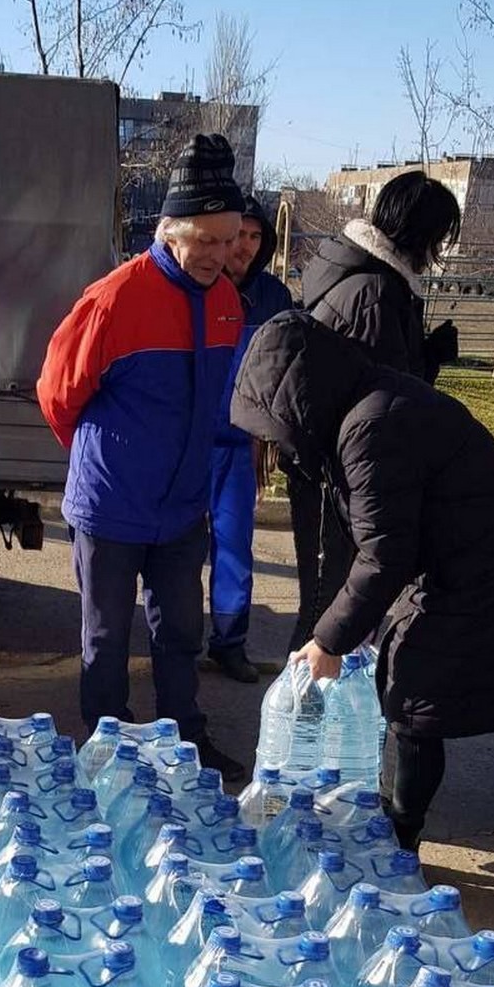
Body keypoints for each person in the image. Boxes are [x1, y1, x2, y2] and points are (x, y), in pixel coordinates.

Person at [231, 310, 494, 851]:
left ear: (298, 395)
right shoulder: (365, 405)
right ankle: (390, 820)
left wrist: (328, 640)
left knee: (415, 700)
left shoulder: (371, 424)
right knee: (404, 684)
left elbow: (384, 554)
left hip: (491, 573)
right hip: (466, 560)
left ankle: (399, 841)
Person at [37, 134, 248, 781]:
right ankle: (105, 751)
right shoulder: (115, 299)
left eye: (229, 238)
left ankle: (185, 740)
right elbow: (56, 392)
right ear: (170, 231)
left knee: (180, 632)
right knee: (105, 640)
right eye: (205, 240)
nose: (219, 254)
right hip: (110, 508)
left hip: (182, 510)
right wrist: (103, 464)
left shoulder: (226, 306)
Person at [288, 170, 462, 649]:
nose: (438, 252)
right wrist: (423, 365)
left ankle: (319, 715)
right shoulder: (374, 291)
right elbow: (378, 407)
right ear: (417, 232)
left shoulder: (376, 282)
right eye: (438, 238)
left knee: (336, 611)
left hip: (342, 472)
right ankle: (301, 719)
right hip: (338, 476)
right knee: (328, 618)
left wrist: (424, 356)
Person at [208, 193, 294, 684]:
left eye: (255, 236)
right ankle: (171, 643)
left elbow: (286, 369)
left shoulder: (274, 298)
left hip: (241, 446)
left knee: (235, 548)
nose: (244, 245)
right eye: (238, 233)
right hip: (190, 440)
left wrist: (274, 433)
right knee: (173, 550)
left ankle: (229, 642)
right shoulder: (196, 287)